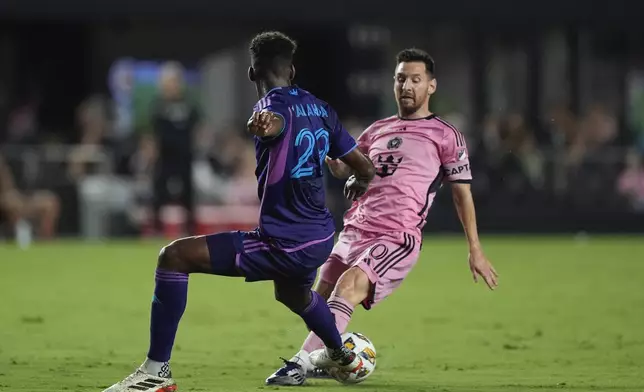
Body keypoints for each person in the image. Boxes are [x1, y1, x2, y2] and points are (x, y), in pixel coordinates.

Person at [102, 31, 376, 392]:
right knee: (292, 294)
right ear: (291, 71)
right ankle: (341, 353)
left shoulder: (269, 109)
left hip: (283, 242)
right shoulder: (321, 108)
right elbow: (365, 167)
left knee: (173, 256)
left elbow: (271, 122)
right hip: (322, 236)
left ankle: (155, 373)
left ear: (251, 73)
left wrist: (260, 125)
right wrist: (355, 178)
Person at [266, 48, 499, 386]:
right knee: (315, 299)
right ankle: (334, 356)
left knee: (347, 289)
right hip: (354, 229)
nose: (406, 85)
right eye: (401, 78)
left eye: (415, 80)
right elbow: (345, 166)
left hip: (396, 235)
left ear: (431, 86)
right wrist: (326, 150)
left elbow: (462, 193)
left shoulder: (446, 135)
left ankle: (299, 364)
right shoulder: (377, 129)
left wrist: (474, 248)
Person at [150, 62, 200, 235]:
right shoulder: (158, 106)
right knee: (159, 192)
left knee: (187, 193)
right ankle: (156, 229)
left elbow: (197, 129)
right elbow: (153, 133)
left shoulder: (189, 105)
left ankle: (190, 229)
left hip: (184, 156)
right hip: (164, 156)